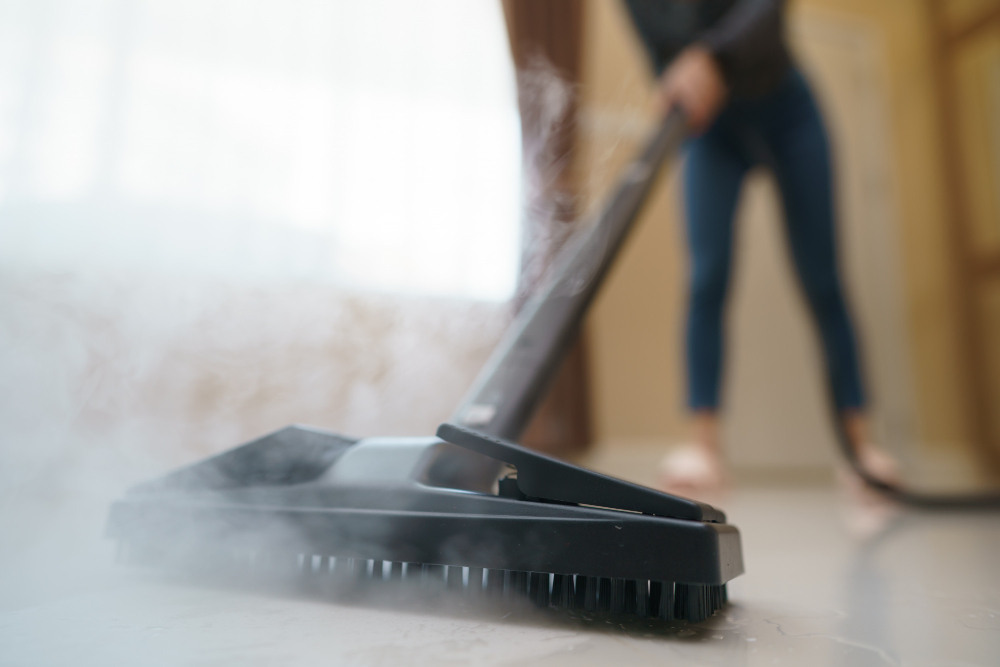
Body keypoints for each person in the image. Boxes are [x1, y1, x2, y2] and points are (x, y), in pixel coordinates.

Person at [622, 0, 897, 498]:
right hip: (714, 129)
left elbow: (767, 10)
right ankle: (703, 448)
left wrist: (710, 57)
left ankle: (861, 451)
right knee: (707, 275)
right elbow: (661, 56)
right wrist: (677, 80)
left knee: (824, 280)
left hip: (788, 108)